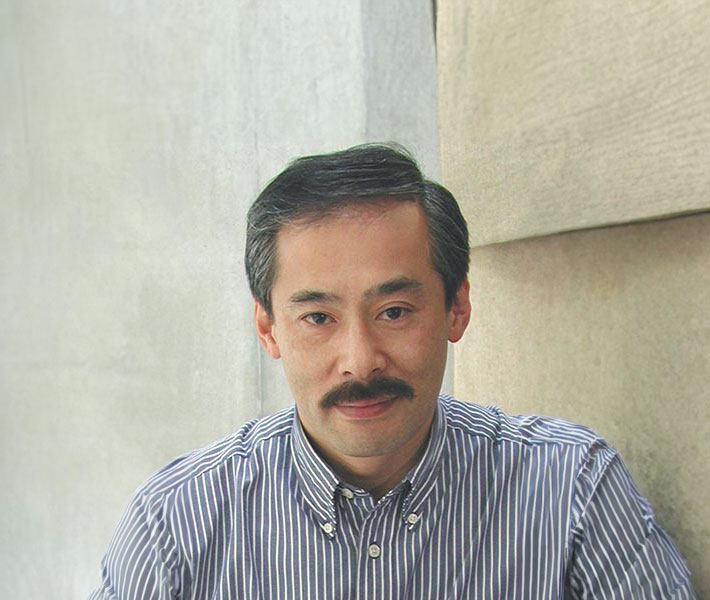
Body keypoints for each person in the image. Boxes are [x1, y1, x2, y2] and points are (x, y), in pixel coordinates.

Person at [89, 143, 696, 599]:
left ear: (456, 307)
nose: (360, 360)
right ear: (268, 328)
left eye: (395, 311)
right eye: (318, 317)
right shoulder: (174, 526)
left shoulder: (572, 492)